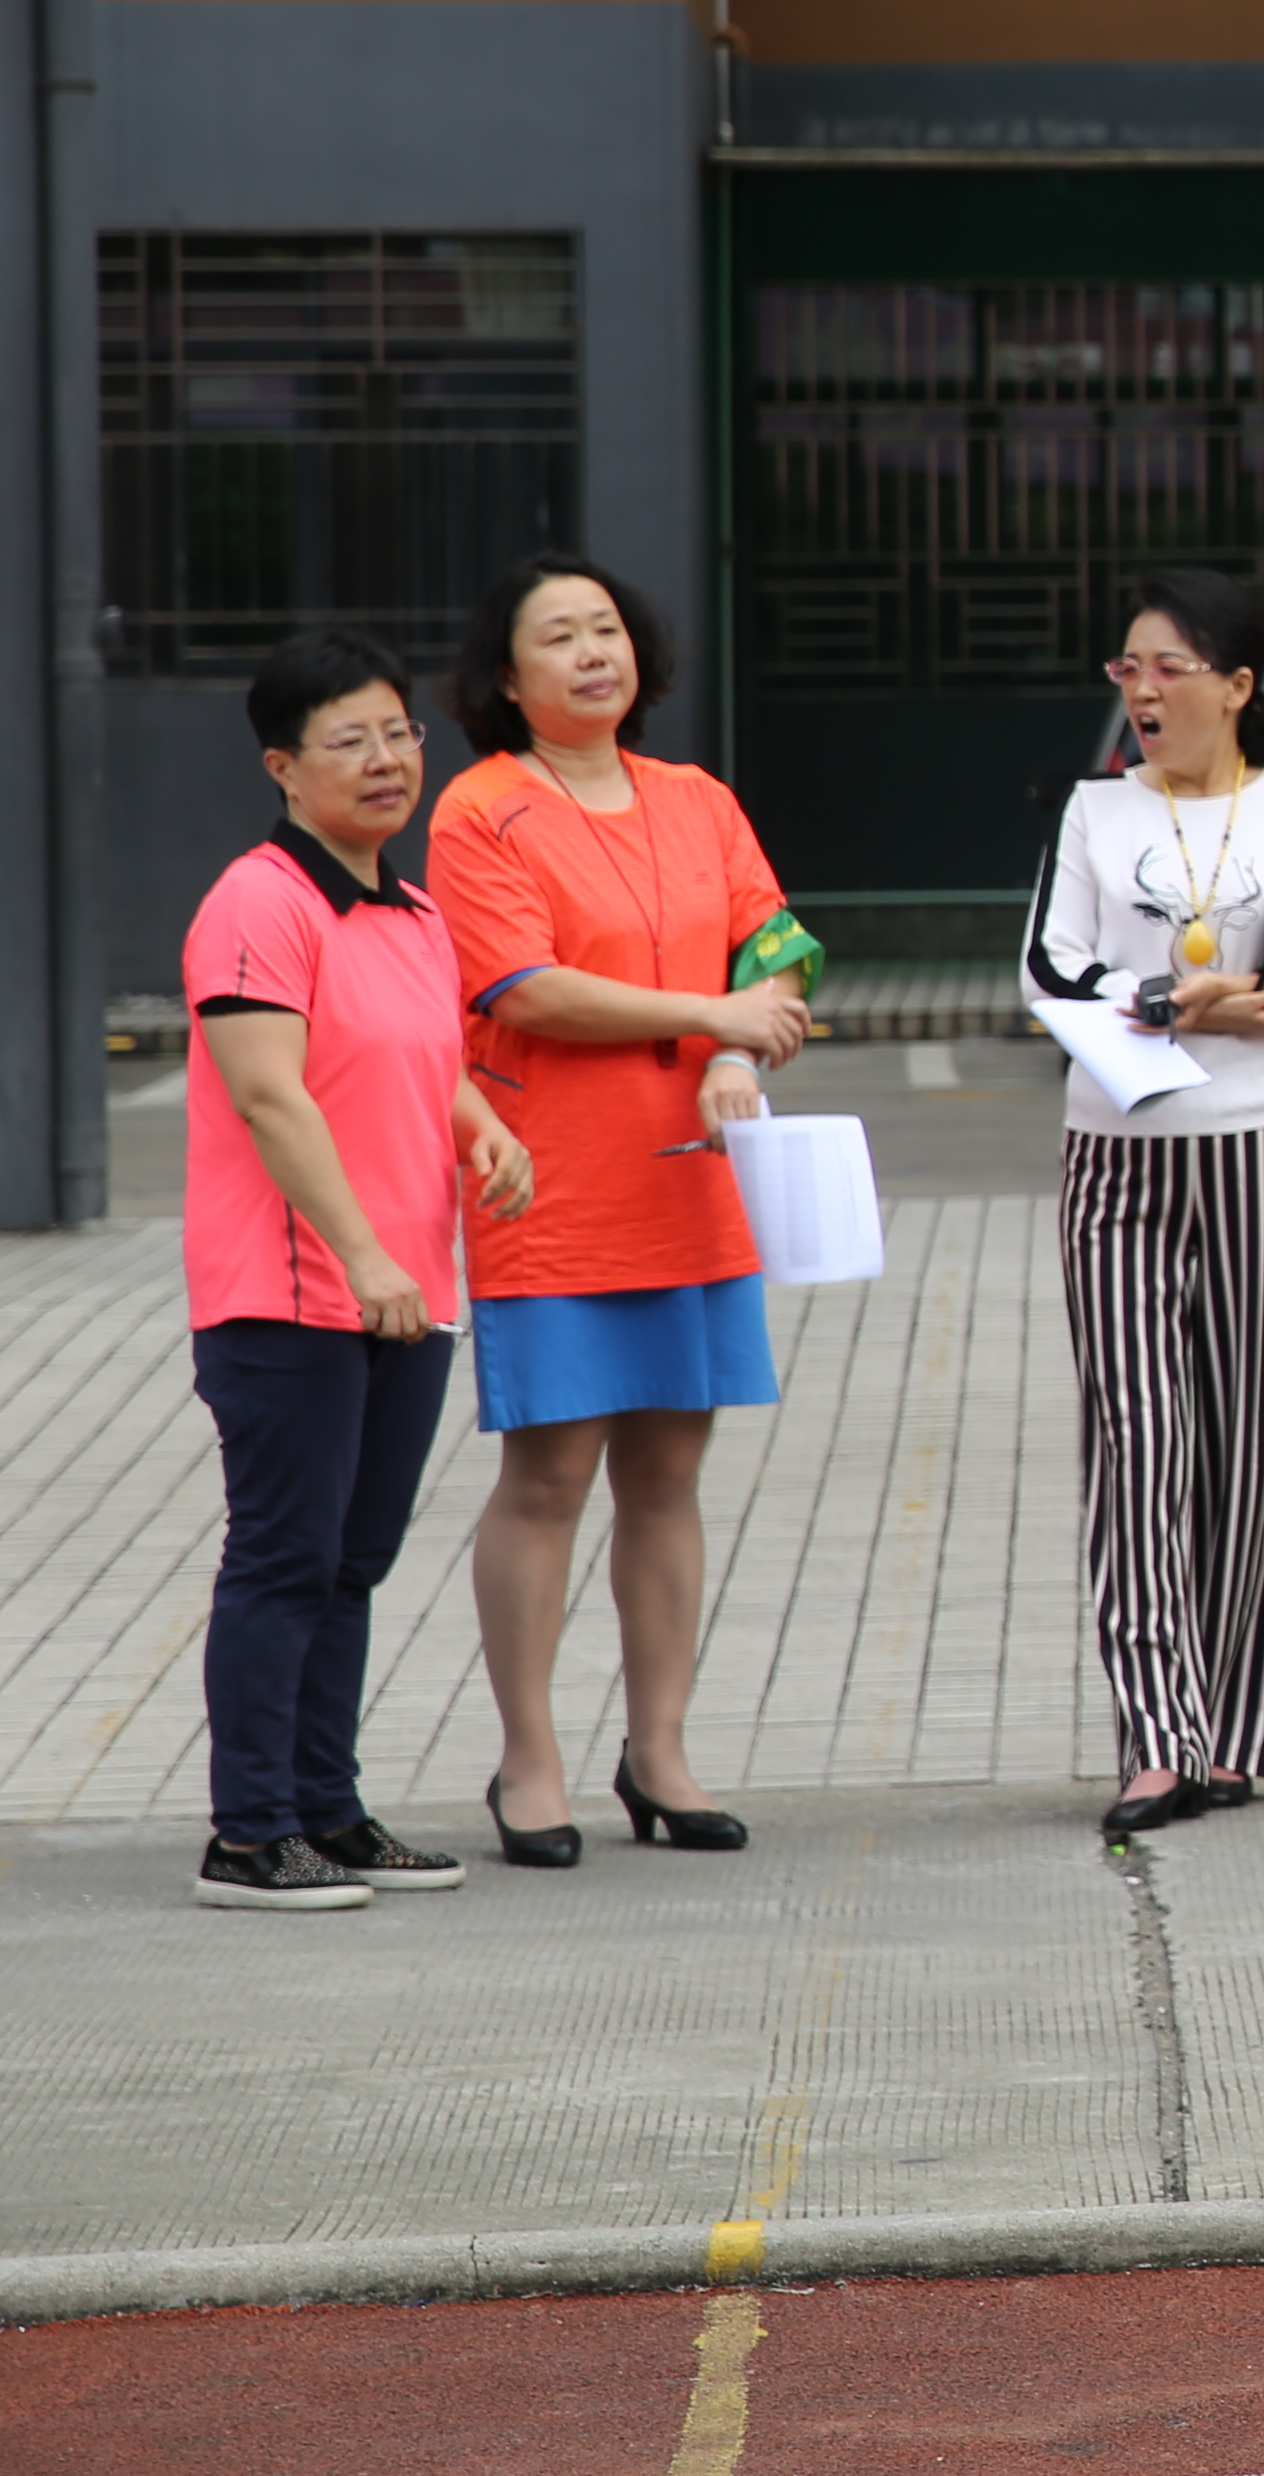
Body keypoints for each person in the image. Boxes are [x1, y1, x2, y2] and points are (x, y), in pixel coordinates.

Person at [432, 555, 807, 1858]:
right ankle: (528, 1764)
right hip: (554, 1184)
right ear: (507, 677)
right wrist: (710, 1013)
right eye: (559, 637)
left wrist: (735, 1055)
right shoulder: (479, 812)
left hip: (693, 1183)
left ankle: (663, 1754)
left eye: (608, 630)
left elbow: (773, 950)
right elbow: (522, 989)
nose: (593, 653)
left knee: (670, 1471)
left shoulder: (698, 799)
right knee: (549, 1473)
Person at [1023, 567, 1264, 1846]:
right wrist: (1176, 1001)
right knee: (1137, 1434)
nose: (1145, 691)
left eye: (1169, 667)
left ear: (1238, 686)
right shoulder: (1093, 813)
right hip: (1117, 1153)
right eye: (1128, 668)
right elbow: (1050, 967)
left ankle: (1236, 1733)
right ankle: (1155, 1738)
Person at [178, 632, 534, 1908]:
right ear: (283, 766)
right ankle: (249, 1832)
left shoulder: (411, 903)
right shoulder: (258, 903)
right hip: (293, 1295)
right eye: (350, 741)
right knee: (284, 1557)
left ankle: (325, 1810)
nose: (387, 761)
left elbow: (425, 1059)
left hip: (402, 1295)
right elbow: (271, 1100)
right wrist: (366, 1252)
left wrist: (478, 1123)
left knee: (352, 1562)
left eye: (399, 734)